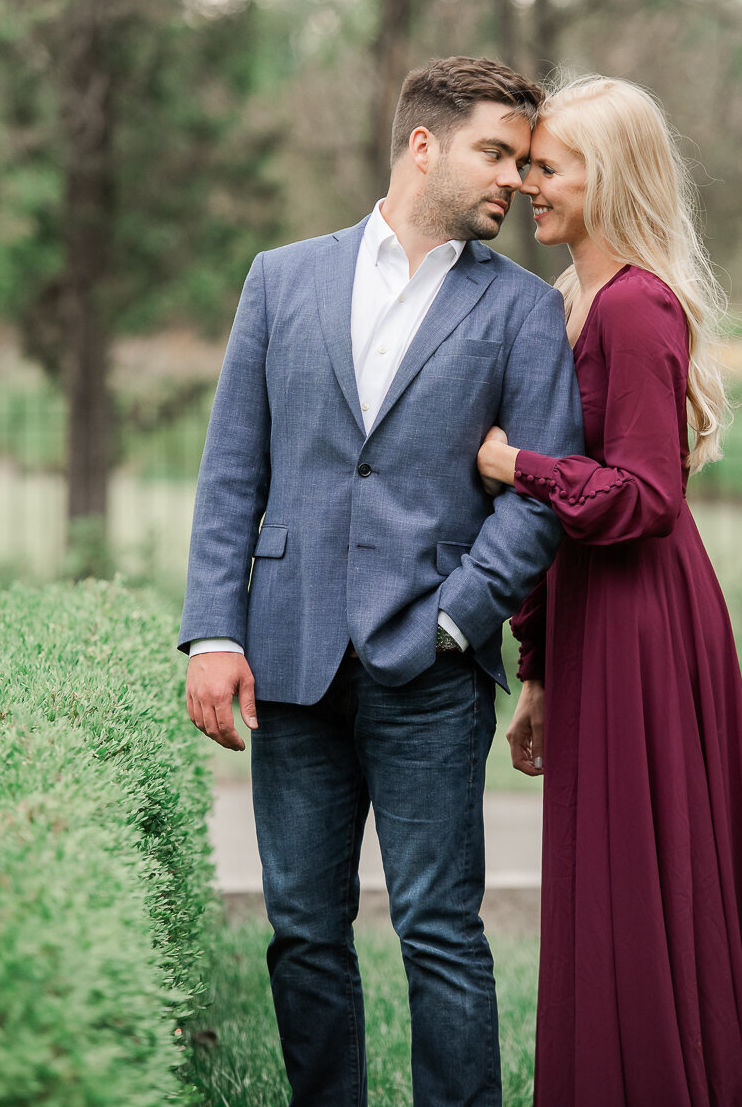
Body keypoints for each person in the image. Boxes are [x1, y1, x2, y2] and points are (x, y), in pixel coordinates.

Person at [179, 55, 584, 1106]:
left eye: (526, 159)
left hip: (430, 670)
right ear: (422, 144)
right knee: (304, 929)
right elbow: (234, 468)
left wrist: (457, 619)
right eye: (496, 151)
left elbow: (538, 496)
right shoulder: (281, 277)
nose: (514, 179)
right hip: (291, 656)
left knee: (441, 930)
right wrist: (214, 633)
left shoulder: (524, 310)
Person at [477, 74, 742, 1107]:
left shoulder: (638, 307)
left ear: (603, 179)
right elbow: (579, 516)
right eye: (524, 165)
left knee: (643, 872)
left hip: (645, 616)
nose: (527, 185)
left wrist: (520, 465)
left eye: (547, 165)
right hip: (596, 614)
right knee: (618, 878)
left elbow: (645, 496)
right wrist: (539, 670)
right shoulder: (578, 302)